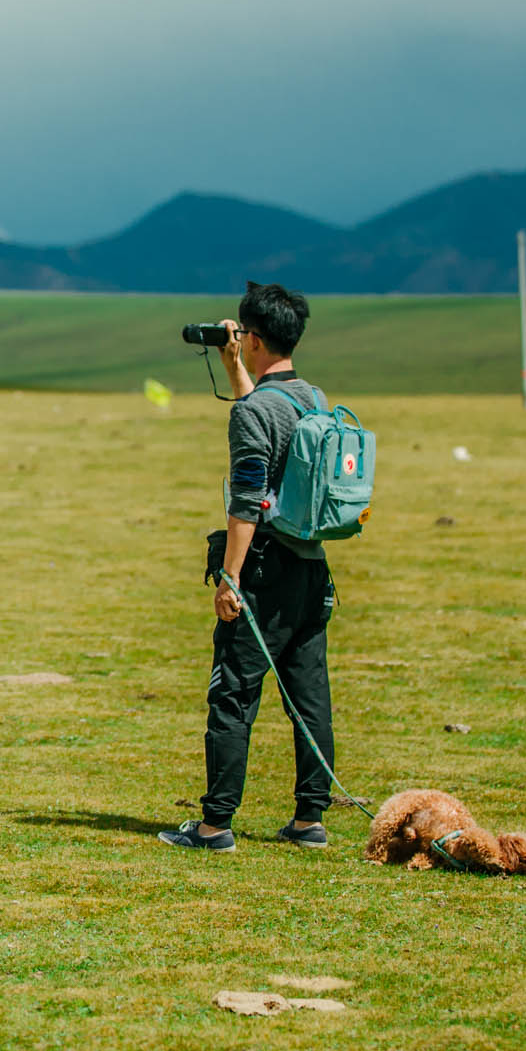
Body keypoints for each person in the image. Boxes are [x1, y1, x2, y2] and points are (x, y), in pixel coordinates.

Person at [159, 281, 337, 852]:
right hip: (312, 569)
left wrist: (230, 579)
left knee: (233, 694)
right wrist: (236, 367)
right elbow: (266, 413)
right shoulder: (313, 398)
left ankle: (213, 826)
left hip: (263, 572)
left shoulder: (255, 412)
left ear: (252, 336)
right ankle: (310, 820)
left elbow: (247, 499)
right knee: (309, 698)